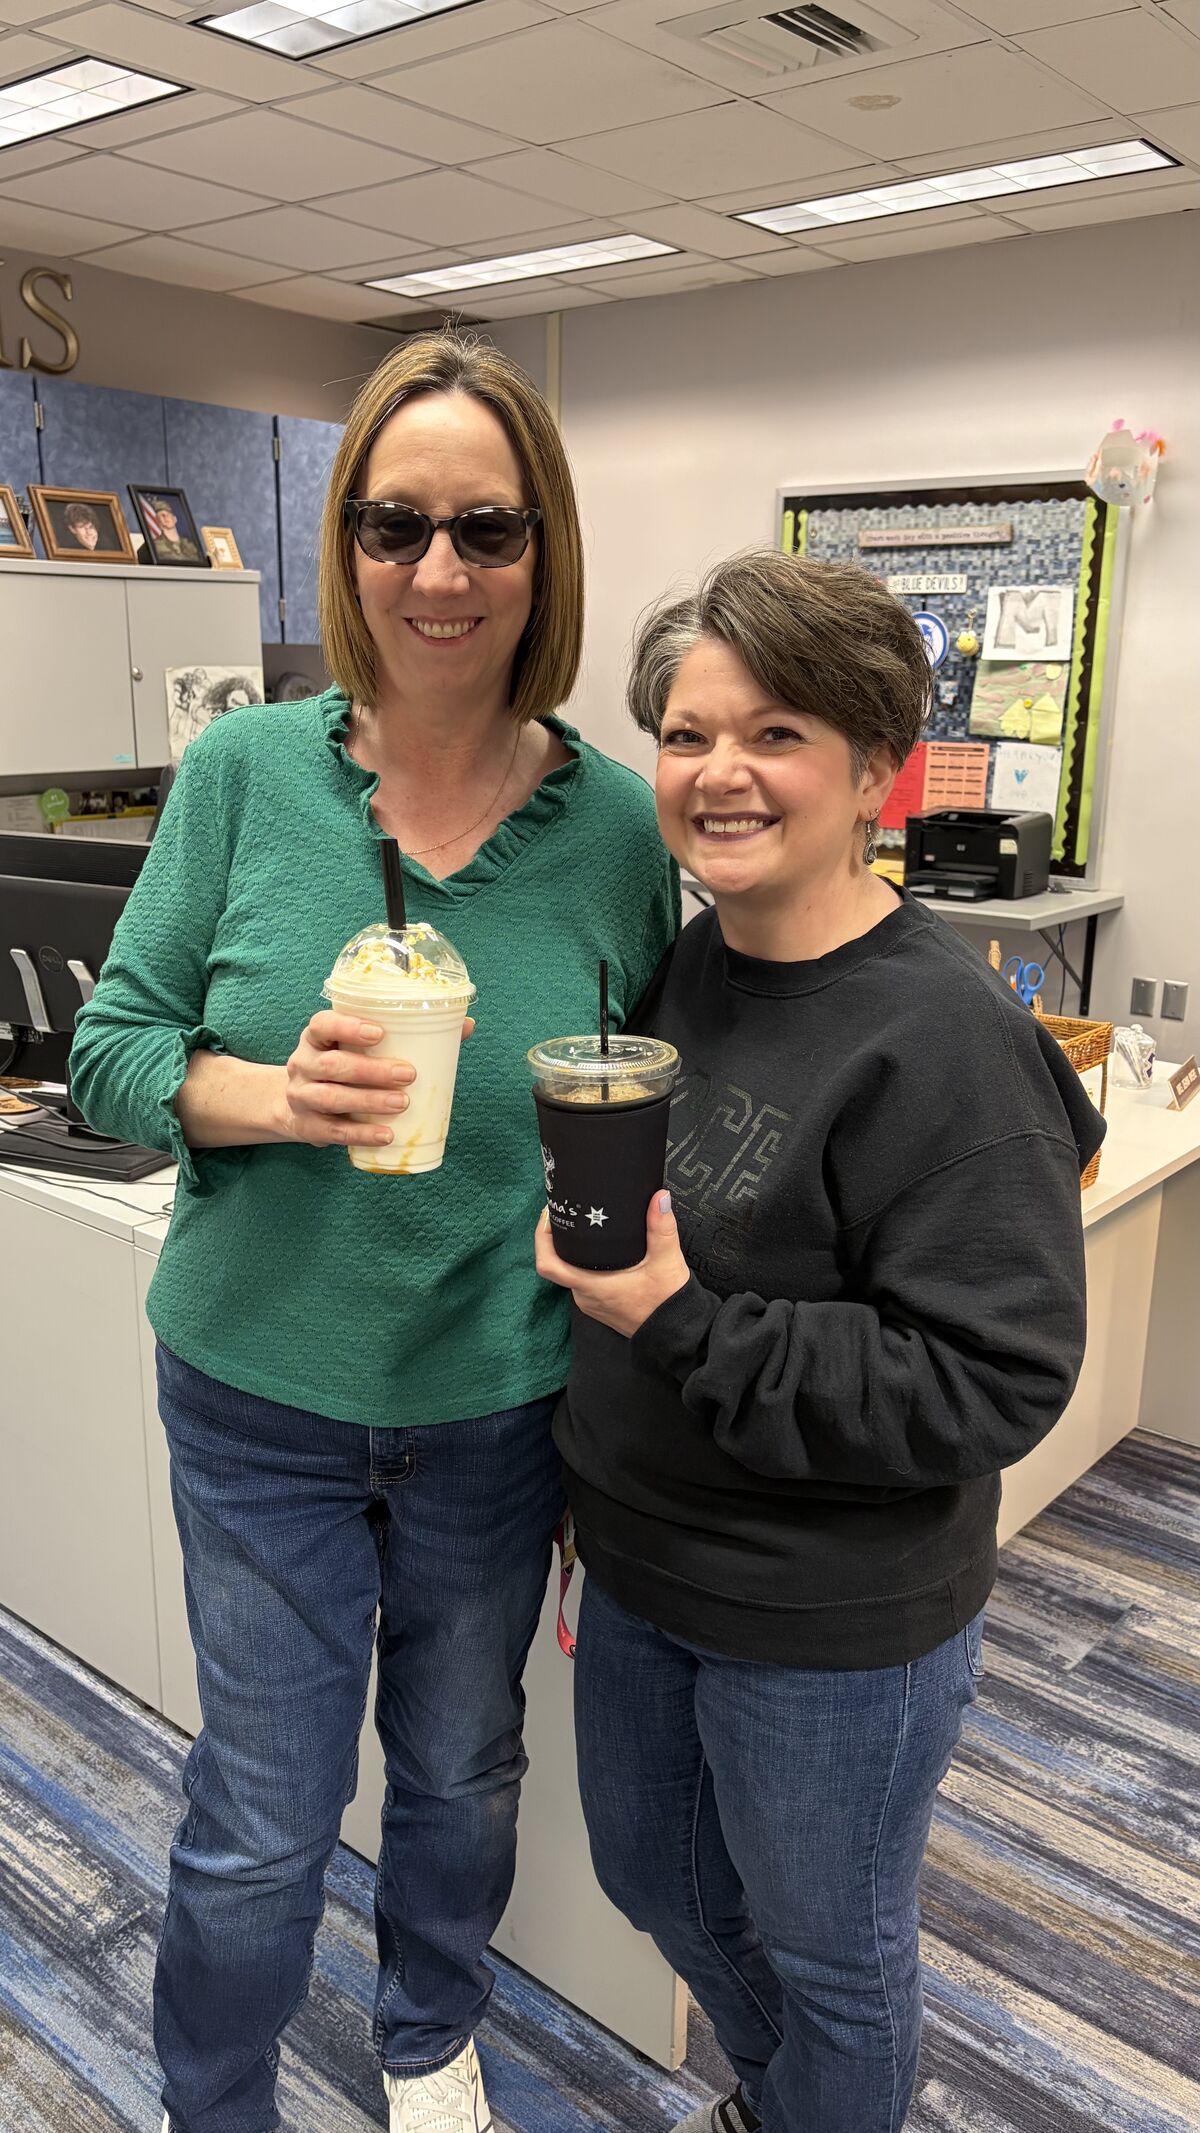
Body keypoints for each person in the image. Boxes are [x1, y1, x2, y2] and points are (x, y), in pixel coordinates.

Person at [71, 328, 678, 2133]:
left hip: (497, 1403)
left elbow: (657, 1090)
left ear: (542, 553)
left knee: (464, 1767)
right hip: (261, 1391)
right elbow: (109, 1051)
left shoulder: (618, 827)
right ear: (342, 547)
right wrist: (272, 1094)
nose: (438, 572)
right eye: (394, 526)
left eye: (485, 530)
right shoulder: (247, 774)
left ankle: (427, 2038)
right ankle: (217, 2098)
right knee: (262, 1807)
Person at [537, 549, 1103, 2133]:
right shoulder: (687, 965)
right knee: (653, 1872)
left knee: (836, 1953)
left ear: (879, 771)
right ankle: (789, 2102)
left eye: (776, 733)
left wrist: (681, 1321)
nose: (720, 771)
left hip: (832, 1612)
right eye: (689, 731)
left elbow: (993, 1376)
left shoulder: (948, 1038)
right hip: (645, 1561)